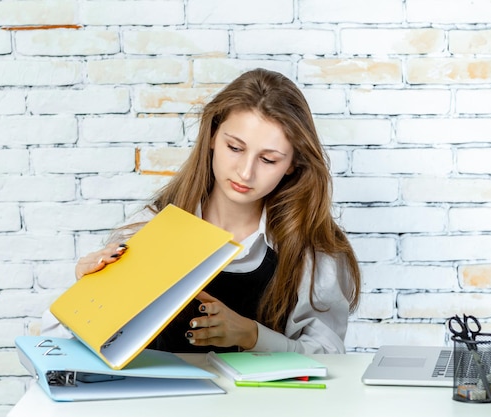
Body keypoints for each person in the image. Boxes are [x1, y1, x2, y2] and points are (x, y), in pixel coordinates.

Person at [41, 68, 361, 354]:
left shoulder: (314, 253)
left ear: (293, 165)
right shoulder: (148, 229)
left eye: (268, 159)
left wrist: (251, 335)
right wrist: (85, 301)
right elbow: (57, 351)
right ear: (211, 137)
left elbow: (329, 360)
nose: (245, 172)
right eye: (234, 148)